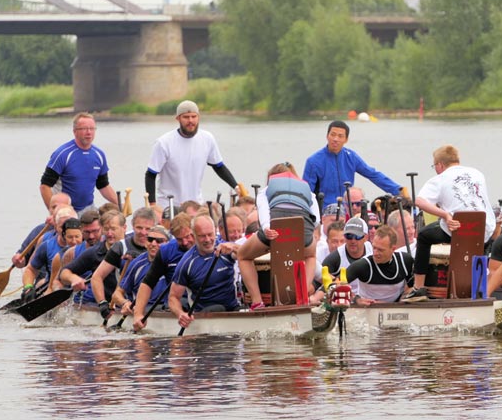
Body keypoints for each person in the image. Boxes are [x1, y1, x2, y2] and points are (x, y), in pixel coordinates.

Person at [405, 145, 495, 301]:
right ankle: (479, 288)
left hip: (458, 228)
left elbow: (419, 201)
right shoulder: (477, 174)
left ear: (440, 164)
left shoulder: (440, 179)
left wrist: (444, 214)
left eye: (435, 166)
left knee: (424, 236)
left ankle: (418, 288)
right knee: (477, 243)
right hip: (484, 229)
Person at [236, 162, 320, 310]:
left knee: (243, 255)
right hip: (302, 225)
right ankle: (303, 297)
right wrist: (307, 235)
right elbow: (317, 218)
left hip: (275, 225)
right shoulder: (308, 191)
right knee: (311, 256)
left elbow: (263, 208)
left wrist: (267, 228)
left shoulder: (267, 189)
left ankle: (257, 302)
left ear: (272, 179)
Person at [145, 100, 241, 208]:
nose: (190, 120)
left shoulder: (207, 138)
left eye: (193, 116)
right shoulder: (163, 142)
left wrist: (236, 187)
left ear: (198, 117)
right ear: (178, 119)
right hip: (169, 205)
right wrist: (153, 205)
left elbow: (219, 167)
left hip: (196, 204)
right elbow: (151, 174)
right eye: (186, 117)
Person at [303, 121, 402, 208]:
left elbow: (373, 174)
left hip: (349, 208)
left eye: (340, 136)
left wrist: (398, 190)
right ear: (327, 136)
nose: (335, 139)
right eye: (333, 134)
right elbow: (307, 193)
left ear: (346, 139)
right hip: (325, 211)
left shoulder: (351, 157)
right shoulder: (313, 161)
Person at [169, 215, 240, 328]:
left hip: (232, 310)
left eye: (210, 234)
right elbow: (173, 297)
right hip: (204, 316)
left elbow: (247, 254)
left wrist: (235, 247)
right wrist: (180, 314)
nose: (207, 240)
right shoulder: (187, 262)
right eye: (202, 236)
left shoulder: (226, 249)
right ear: (194, 235)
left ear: (215, 231)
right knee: (218, 309)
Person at [40, 113, 118, 212]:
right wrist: (53, 212)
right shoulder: (63, 154)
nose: (89, 132)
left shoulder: (99, 155)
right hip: (66, 210)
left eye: (92, 128)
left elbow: (103, 185)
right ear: (75, 131)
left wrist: (119, 203)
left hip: (89, 208)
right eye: (84, 129)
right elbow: (44, 186)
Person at [132, 213, 196, 331]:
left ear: (194, 230)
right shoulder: (166, 251)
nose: (185, 242)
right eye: (179, 239)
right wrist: (138, 314)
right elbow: (148, 283)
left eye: (188, 236)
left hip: (202, 300)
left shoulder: (205, 244)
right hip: (179, 302)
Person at [90, 207, 157, 319]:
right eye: (139, 228)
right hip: (128, 305)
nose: (143, 232)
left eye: (148, 229)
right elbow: (97, 277)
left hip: (155, 304)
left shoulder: (162, 246)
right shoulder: (120, 247)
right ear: (132, 225)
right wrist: (102, 303)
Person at [57, 210, 128, 302]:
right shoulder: (94, 252)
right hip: (104, 305)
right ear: (102, 229)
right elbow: (64, 273)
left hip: (130, 304)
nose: (109, 234)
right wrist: (73, 278)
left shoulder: (134, 248)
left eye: (113, 229)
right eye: (106, 229)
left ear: (124, 228)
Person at [346, 226, 417, 305]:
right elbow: (335, 285)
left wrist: (400, 301)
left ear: (393, 249)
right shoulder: (363, 265)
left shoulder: (405, 261)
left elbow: (413, 288)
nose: (375, 253)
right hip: (367, 310)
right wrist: (357, 299)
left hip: (395, 310)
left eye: (380, 250)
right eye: (374, 248)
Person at [112, 225, 171, 318]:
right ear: (146, 243)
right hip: (141, 310)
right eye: (150, 239)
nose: (153, 244)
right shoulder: (137, 264)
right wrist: (125, 303)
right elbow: (116, 294)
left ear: (168, 243)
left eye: (159, 241)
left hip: (166, 310)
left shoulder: (175, 263)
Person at [21, 205, 78, 301]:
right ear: (55, 227)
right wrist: (28, 286)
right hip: (52, 287)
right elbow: (30, 270)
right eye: (62, 227)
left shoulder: (87, 244)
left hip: (76, 286)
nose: (67, 231)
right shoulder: (46, 245)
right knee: (41, 283)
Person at [12, 192, 72, 268]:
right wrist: (18, 260)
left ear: (70, 209)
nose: (56, 210)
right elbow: (22, 260)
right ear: (49, 209)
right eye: (54, 207)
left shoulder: (78, 230)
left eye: (61, 207)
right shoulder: (39, 230)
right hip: (42, 276)